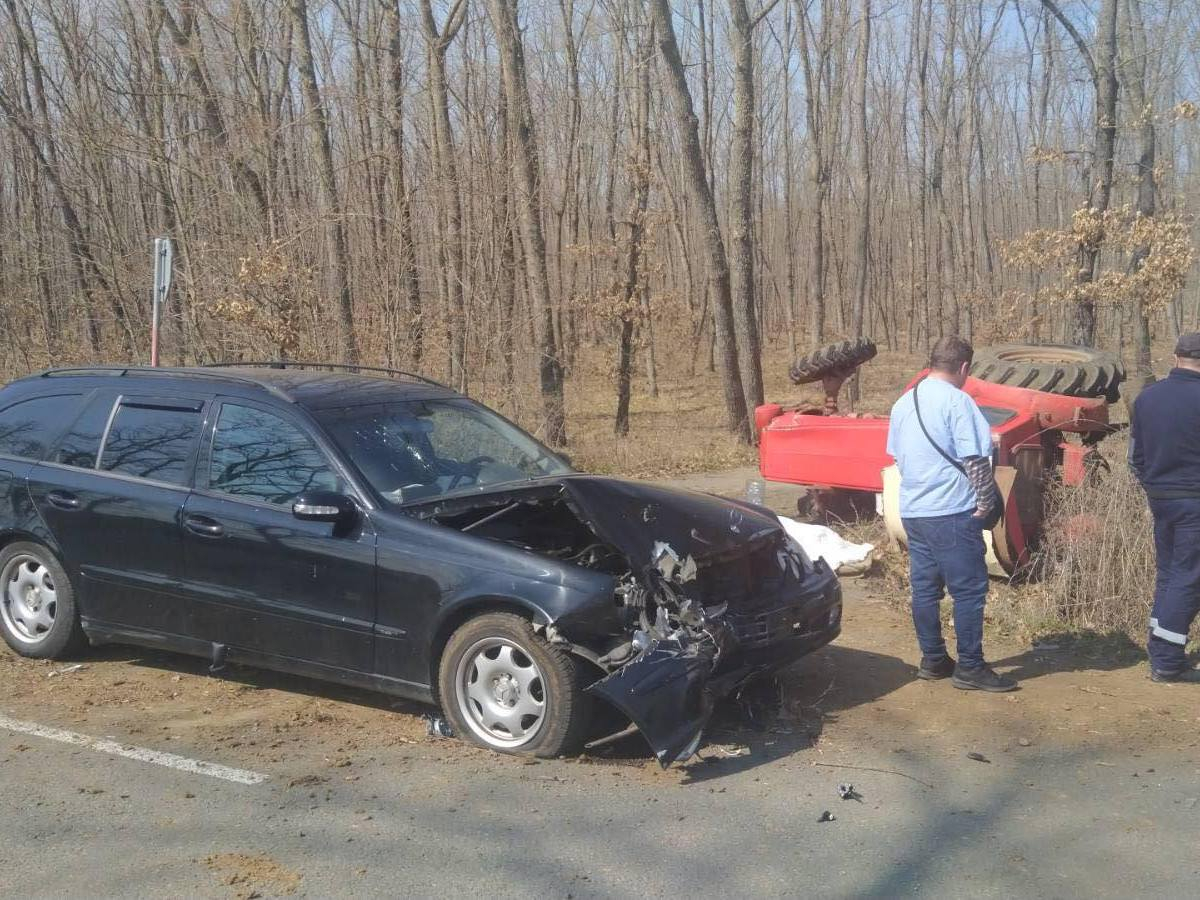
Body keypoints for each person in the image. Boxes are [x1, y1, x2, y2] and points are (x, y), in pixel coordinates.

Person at [885, 336, 1016, 692]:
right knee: (969, 591)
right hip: (952, 512)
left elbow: (897, 457)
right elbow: (974, 460)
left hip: (914, 512)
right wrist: (987, 503)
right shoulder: (959, 402)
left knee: (925, 590)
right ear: (964, 368)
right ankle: (971, 667)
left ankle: (933, 659)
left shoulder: (903, 402)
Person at [1129, 333, 1200, 683]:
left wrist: (1154, 486)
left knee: (1171, 574)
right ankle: (1168, 662)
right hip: (1195, 501)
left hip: (1161, 499)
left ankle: (1159, 652)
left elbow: (1136, 457)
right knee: (1189, 578)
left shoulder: (1147, 398)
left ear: (1176, 358)